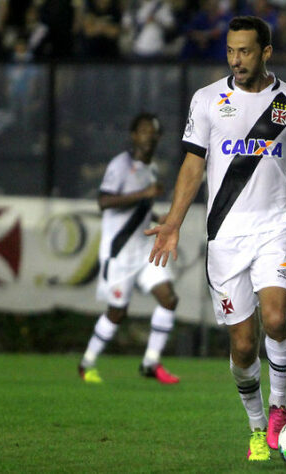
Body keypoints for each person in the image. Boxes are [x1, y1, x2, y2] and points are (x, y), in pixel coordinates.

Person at [145, 16, 286, 462]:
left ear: (266, 52)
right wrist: (173, 221)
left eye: (245, 51)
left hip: (275, 228)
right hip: (225, 237)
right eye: (230, 51)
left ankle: (279, 406)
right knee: (244, 346)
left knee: (275, 319)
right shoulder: (207, 100)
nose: (236, 60)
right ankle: (254, 427)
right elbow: (193, 165)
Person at [78, 112, 180, 385]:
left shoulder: (152, 169)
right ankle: (86, 362)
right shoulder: (121, 165)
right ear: (134, 136)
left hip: (144, 249)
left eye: (153, 131)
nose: (148, 135)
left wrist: (160, 218)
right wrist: (144, 194)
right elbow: (104, 201)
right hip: (120, 251)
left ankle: (150, 362)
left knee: (169, 299)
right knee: (117, 312)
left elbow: (140, 210)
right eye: (144, 130)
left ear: (158, 138)